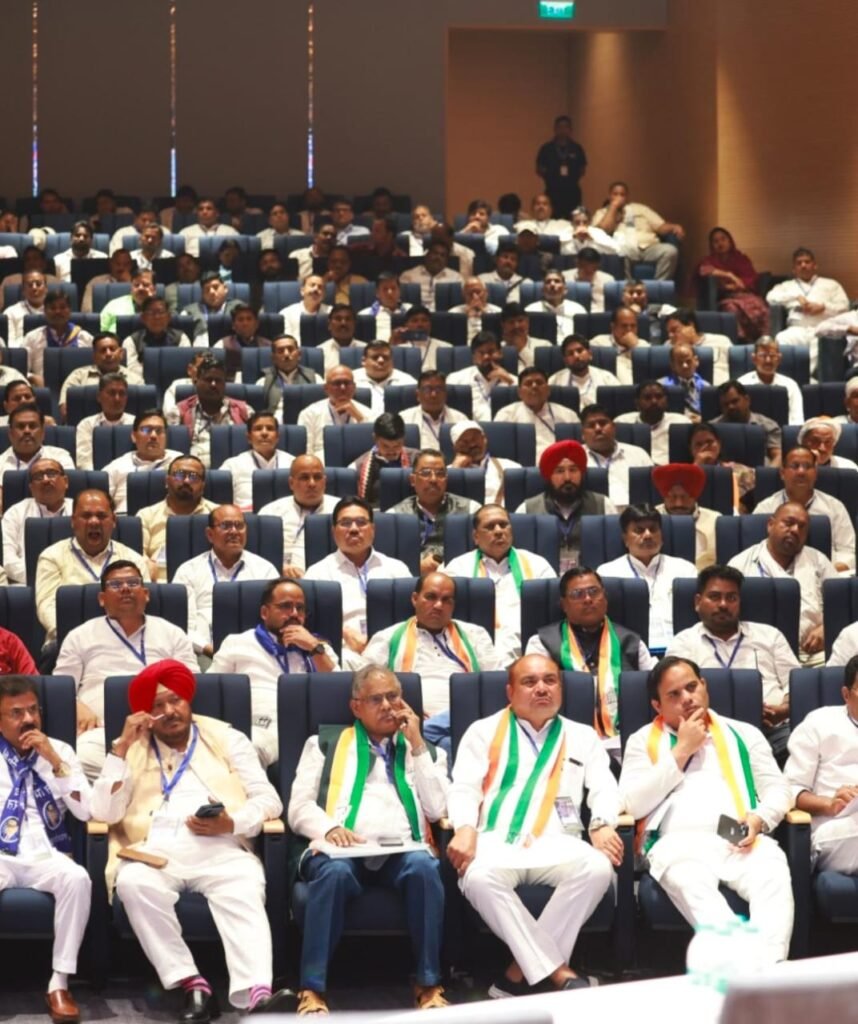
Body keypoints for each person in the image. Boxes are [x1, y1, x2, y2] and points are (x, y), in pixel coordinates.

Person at [91, 660, 292, 1018]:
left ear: (188, 700)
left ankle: (258, 994)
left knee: (244, 885)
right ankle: (192, 983)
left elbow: (269, 800)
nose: (170, 711)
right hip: (153, 851)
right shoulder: (131, 748)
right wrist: (120, 750)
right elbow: (104, 813)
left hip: (221, 847)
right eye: (158, 706)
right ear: (145, 714)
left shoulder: (228, 738)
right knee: (133, 884)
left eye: (175, 700)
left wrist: (231, 823)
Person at [447, 653, 621, 996]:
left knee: (599, 868)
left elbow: (605, 787)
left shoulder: (582, 735)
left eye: (550, 680)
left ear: (561, 688)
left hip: (559, 842)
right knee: (477, 877)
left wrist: (601, 823)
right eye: (530, 682)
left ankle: (517, 973)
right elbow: (464, 787)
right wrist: (465, 827)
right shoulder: (482, 732)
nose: (542, 688)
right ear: (510, 692)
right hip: (496, 841)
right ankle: (558, 973)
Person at [287, 664, 449, 1015]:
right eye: (376, 699)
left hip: (403, 852)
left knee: (424, 869)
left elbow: (438, 809)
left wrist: (418, 745)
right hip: (341, 852)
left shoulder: (427, 752)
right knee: (334, 874)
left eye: (394, 696)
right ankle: (312, 987)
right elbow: (298, 807)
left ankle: (428, 982)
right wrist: (329, 829)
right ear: (356, 707)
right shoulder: (324, 744)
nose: (388, 706)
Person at [619, 656, 794, 965]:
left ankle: (770, 971)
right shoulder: (642, 741)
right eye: (674, 694)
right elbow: (632, 803)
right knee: (693, 884)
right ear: (657, 705)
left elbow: (779, 790)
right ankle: (750, 967)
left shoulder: (744, 733)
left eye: (692, 687)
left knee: (773, 872)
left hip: (739, 836)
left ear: (704, 686)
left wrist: (760, 818)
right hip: (676, 844)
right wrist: (681, 750)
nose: (687, 698)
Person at [0, 675, 92, 1024]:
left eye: (33, 710)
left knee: (78, 879)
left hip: (45, 851)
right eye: (16, 713)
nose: (28, 719)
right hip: (0, 851)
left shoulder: (61, 751)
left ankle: (59, 983)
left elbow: (85, 811)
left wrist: (54, 760)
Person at [55, 559, 197, 778]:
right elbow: (60, 689)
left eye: (132, 583)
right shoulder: (79, 636)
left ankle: (143, 781)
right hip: (100, 731)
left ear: (146, 594)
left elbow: (192, 681)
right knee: (79, 758)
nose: (125, 589)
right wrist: (76, 704)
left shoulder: (172, 633)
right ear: (102, 599)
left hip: (163, 725)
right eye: (115, 585)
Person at [666, 565, 799, 760]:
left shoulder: (770, 635)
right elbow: (675, 694)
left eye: (731, 598)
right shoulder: (683, 643)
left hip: (773, 731)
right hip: (709, 732)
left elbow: (797, 685)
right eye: (714, 597)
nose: (723, 604)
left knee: (800, 748)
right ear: (697, 602)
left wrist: (784, 709)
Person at [362, 572, 501, 751]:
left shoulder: (475, 634)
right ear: (415, 599)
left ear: (453, 605)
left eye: (446, 600)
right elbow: (364, 682)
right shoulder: (388, 637)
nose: (438, 605)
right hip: (410, 716)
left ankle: (425, 732)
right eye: (431, 597)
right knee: (447, 744)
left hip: (467, 717)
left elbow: (495, 684)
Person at [523, 568, 654, 752]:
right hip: (563, 742)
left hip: (626, 741)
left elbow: (657, 688)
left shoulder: (632, 642)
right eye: (577, 594)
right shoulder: (541, 644)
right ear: (564, 604)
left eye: (594, 592)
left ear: (605, 598)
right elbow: (533, 695)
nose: (587, 599)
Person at [209, 578, 338, 765]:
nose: (294, 614)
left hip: (312, 728)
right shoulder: (237, 643)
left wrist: (314, 648)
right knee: (248, 748)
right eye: (285, 606)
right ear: (264, 612)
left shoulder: (319, 648)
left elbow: (338, 693)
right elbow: (213, 692)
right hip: (260, 726)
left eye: (300, 608)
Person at [35, 489, 150, 648]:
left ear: (114, 520)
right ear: (73, 521)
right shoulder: (52, 557)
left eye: (101, 516)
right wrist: (86, 639)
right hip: (68, 642)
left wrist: (115, 637)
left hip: (126, 640)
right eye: (86, 516)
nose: (94, 522)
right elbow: (46, 608)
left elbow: (141, 605)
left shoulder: (133, 559)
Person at [303, 497, 412, 664]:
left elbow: (412, 617)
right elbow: (311, 623)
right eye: (345, 523)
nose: (354, 529)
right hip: (342, 653)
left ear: (373, 529)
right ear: (333, 531)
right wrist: (342, 633)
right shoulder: (317, 573)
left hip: (393, 651)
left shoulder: (397, 569)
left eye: (361, 522)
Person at [441, 504, 556, 662]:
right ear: (476, 537)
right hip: (471, 654)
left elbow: (552, 619)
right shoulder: (458, 568)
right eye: (489, 527)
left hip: (527, 654)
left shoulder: (537, 565)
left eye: (503, 525)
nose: (498, 531)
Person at [728, 502, 838, 665]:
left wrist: (826, 628)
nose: (795, 530)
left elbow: (841, 607)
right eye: (788, 523)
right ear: (770, 525)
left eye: (802, 527)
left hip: (816, 653)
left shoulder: (818, 560)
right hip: (759, 653)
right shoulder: (740, 564)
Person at [172, 505, 281, 664]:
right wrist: (206, 648)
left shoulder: (265, 570)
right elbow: (181, 624)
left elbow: (275, 618)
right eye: (226, 526)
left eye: (239, 526)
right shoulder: (188, 571)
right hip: (201, 653)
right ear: (210, 534)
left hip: (254, 652)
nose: (234, 531)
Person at [785, 653, 858, 874]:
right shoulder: (820, 723)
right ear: (846, 694)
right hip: (837, 829)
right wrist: (829, 803)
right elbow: (791, 790)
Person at [596, 504, 697, 650]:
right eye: (639, 530)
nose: (648, 535)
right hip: (628, 650)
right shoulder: (607, 573)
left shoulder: (685, 569)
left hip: (680, 648)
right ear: (625, 538)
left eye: (653, 529)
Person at [519, 439, 616, 572]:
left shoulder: (604, 504)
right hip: (544, 577)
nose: (567, 477)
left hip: (591, 576)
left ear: (581, 473)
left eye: (573, 470)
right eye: (559, 471)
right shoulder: (526, 509)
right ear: (549, 476)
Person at [753, 445, 854, 573]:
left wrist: (825, 571)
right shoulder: (765, 508)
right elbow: (756, 550)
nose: (801, 472)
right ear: (782, 473)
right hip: (775, 573)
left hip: (828, 573)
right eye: (795, 466)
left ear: (815, 473)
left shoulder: (834, 507)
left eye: (807, 466)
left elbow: (848, 550)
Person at [387, 450, 480, 575]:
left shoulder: (471, 510)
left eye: (440, 473)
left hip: (460, 577)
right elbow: (386, 561)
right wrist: (415, 568)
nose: (433, 479)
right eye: (425, 473)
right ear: (413, 480)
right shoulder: (394, 515)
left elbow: (484, 552)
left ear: (446, 479)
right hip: (412, 580)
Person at [766, 247, 849, 374]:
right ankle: (789, 377)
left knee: (826, 341)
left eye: (807, 262)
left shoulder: (831, 284)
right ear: (794, 269)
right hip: (796, 329)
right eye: (799, 263)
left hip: (822, 329)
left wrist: (824, 307)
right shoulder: (786, 286)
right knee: (781, 338)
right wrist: (795, 296)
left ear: (815, 265)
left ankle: (805, 376)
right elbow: (770, 297)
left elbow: (844, 306)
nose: (803, 265)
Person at [137, 455, 218, 582]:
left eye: (193, 476)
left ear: (203, 486)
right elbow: (136, 555)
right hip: (159, 583)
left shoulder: (217, 514)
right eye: (179, 475)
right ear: (167, 481)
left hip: (207, 582)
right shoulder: (146, 515)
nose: (186, 481)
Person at [257, 456, 339, 576]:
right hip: (277, 576)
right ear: (291, 483)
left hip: (326, 575)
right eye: (304, 478)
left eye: (317, 477)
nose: (312, 483)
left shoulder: (341, 510)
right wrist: (278, 567)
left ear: (325, 481)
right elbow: (258, 554)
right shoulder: (270, 511)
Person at [168, 354, 250, 467]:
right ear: (196, 381)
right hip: (191, 470)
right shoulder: (178, 412)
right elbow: (171, 451)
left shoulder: (244, 411)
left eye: (218, 380)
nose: (213, 385)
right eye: (208, 379)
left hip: (233, 469)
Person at [592, 181, 684, 280]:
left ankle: (659, 286)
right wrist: (613, 207)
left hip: (649, 247)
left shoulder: (640, 209)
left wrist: (675, 226)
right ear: (609, 196)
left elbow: (660, 227)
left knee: (670, 251)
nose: (619, 197)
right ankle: (628, 287)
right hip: (625, 249)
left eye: (622, 195)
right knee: (621, 253)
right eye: (615, 194)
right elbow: (601, 232)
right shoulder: (602, 212)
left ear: (627, 197)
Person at [2, 458, 72, 585]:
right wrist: (43, 578)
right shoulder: (15, 513)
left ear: (65, 481)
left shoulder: (81, 511)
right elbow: (7, 559)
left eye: (51, 473)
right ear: (31, 487)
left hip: (74, 583)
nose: (45, 480)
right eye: (38, 477)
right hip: (27, 584)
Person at [694, 227, 769, 341]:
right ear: (712, 245)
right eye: (716, 241)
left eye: (723, 239)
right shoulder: (709, 260)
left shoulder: (741, 258)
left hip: (745, 295)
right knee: (731, 309)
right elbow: (704, 270)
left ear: (730, 241)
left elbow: (748, 281)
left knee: (760, 306)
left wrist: (732, 285)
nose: (720, 243)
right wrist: (729, 275)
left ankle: (764, 341)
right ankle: (739, 341)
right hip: (725, 298)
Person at [103, 409, 184, 515]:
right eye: (146, 430)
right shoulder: (116, 467)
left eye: (159, 431)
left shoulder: (180, 462)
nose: (153, 436)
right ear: (134, 436)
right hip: (126, 519)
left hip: (169, 519)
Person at [493, 366, 579, 459]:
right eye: (528, 383)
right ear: (519, 392)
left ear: (548, 390)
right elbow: (499, 450)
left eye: (539, 382)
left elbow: (578, 448)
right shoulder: (506, 414)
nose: (534, 386)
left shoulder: (568, 415)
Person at [0, 404, 75, 509]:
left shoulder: (60, 457)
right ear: (10, 433)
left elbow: (66, 493)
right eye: (20, 427)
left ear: (43, 432)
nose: (27, 431)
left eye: (32, 426)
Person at [578, 403, 651, 510]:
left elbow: (652, 491)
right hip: (594, 513)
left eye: (603, 423)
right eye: (591, 425)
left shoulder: (638, 454)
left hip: (636, 513)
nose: (598, 428)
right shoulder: (575, 458)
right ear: (583, 433)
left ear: (614, 427)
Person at [58, 330, 143, 420]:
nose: (108, 354)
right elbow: (65, 411)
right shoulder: (78, 376)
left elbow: (144, 412)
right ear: (94, 356)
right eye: (103, 350)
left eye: (112, 349)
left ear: (121, 353)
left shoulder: (135, 379)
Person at [219, 411, 294, 511]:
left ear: (277, 437)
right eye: (258, 428)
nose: (264, 433)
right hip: (245, 516)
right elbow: (219, 501)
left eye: (270, 428)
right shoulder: (232, 465)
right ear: (249, 437)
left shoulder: (293, 463)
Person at [652, 462, 720, 571]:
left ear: (695, 496)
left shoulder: (716, 520)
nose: (678, 504)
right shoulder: (650, 519)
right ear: (664, 496)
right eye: (672, 497)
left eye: (685, 497)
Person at [297, 365, 372, 461]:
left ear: (354, 387)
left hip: (357, 464)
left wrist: (359, 418)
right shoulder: (309, 414)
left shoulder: (368, 413)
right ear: (326, 388)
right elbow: (306, 452)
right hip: (321, 464)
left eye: (347, 383)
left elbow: (374, 448)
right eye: (337, 383)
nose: (343, 387)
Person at [19, 289, 93, 387]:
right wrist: (33, 377)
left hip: (77, 389)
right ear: (44, 311)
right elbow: (20, 370)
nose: (58, 312)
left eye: (62, 307)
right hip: (43, 389)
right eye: (52, 308)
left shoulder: (85, 337)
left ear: (70, 310)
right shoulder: (32, 338)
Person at [349, 412, 418, 508]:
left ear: (403, 440)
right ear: (375, 439)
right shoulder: (358, 467)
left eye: (397, 445)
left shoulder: (418, 459)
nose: (392, 451)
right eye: (386, 446)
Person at [446, 330, 516, 421]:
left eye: (491, 352)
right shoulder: (456, 379)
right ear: (473, 357)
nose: (486, 357)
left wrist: (509, 381)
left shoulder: (513, 381)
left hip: (504, 428)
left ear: (500, 353)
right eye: (481, 353)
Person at [448, 420, 520, 506]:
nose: (472, 445)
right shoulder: (446, 473)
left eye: (475, 438)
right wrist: (455, 471)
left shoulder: (511, 467)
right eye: (464, 442)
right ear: (455, 447)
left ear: (484, 439)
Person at [615, 380, 687, 466]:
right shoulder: (622, 423)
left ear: (666, 401)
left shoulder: (681, 422)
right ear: (637, 403)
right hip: (635, 470)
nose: (654, 401)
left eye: (659, 397)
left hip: (670, 470)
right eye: (647, 398)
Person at [73, 372, 135, 471]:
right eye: (112, 393)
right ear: (99, 396)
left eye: (122, 393)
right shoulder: (86, 425)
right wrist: (99, 478)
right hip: (96, 477)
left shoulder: (136, 423)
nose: (117, 398)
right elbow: (84, 462)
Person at [713, 379, 782, 466]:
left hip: (759, 471)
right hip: (724, 472)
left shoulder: (768, 426)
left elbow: (778, 456)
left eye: (735, 401)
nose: (730, 407)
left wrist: (766, 473)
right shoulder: (712, 428)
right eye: (725, 404)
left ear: (747, 400)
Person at [121, 295, 192, 380]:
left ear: (169, 317)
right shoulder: (131, 341)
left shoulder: (181, 338)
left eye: (161, 312)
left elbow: (185, 364)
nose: (157, 317)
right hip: (142, 383)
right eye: (151, 313)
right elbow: (131, 369)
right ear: (143, 318)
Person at [736, 337, 805, 424]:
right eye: (763, 356)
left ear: (779, 359)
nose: (768, 360)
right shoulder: (741, 384)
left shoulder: (790, 385)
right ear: (754, 359)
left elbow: (797, 420)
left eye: (772, 356)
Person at [399, 371, 469, 449]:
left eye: (439, 389)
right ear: (418, 395)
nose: (433, 395)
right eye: (427, 390)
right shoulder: (403, 419)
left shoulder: (461, 419)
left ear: (445, 394)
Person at [535, 115, 588, 217]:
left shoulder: (577, 148)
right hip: (552, 191)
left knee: (574, 217)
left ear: (570, 129)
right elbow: (539, 169)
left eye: (565, 127)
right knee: (552, 219)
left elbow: (582, 169)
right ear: (555, 129)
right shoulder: (547, 148)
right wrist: (551, 176)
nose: (562, 130)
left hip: (572, 192)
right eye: (560, 127)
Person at [664, 308, 732, 386]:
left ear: (690, 325)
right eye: (668, 332)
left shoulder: (721, 341)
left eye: (674, 330)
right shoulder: (668, 346)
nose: (670, 335)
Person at [352, 340, 417, 416]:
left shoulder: (408, 382)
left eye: (386, 357)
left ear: (392, 360)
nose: (381, 360)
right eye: (375, 357)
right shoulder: (350, 379)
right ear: (363, 361)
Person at [548, 334, 620, 403]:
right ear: (565, 360)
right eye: (570, 353)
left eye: (580, 351)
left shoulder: (607, 378)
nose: (576, 356)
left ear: (590, 354)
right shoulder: (554, 381)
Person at [589, 307, 651, 385]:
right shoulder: (598, 343)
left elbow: (648, 372)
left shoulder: (644, 346)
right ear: (613, 326)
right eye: (624, 326)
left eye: (633, 326)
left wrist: (635, 348)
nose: (629, 330)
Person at [399, 238, 464, 311]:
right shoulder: (409, 275)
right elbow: (400, 300)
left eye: (442, 255)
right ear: (427, 255)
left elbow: (461, 303)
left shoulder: (456, 277)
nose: (438, 257)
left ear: (446, 261)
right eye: (435, 253)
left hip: (445, 314)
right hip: (415, 314)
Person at [213, 304, 272, 382]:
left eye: (249, 319)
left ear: (257, 324)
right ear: (233, 325)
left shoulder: (269, 346)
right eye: (240, 320)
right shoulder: (222, 344)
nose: (245, 323)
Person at [181, 272, 242, 344]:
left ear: (225, 288)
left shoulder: (239, 308)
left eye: (215, 287)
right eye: (207, 289)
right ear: (202, 294)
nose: (211, 292)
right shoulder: (189, 312)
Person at [388, 304, 452, 373]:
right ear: (406, 325)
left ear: (430, 324)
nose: (420, 324)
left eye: (424, 320)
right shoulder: (400, 349)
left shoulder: (446, 347)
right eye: (414, 321)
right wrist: (392, 342)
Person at [525, 269, 587, 339]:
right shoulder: (530, 310)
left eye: (557, 281)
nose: (552, 284)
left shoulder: (578, 309)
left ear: (565, 289)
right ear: (542, 290)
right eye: (548, 282)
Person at [99, 267, 157, 334]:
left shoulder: (161, 309)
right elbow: (100, 332)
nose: (140, 288)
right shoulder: (114, 305)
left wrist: (149, 303)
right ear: (131, 288)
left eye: (145, 285)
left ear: (154, 289)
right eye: (136, 285)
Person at [499, 303, 552, 371]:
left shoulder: (544, 345)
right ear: (503, 325)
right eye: (511, 322)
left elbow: (543, 371)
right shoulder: (498, 349)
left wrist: (521, 348)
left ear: (527, 322)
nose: (516, 326)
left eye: (520, 321)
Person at [448, 276, 502, 341]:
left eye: (478, 292)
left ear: (486, 293)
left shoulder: (498, 312)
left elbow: (500, 334)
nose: (475, 296)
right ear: (464, 295)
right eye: (470, 293)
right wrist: (465, 315)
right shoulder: (453, 313)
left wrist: (484, 313)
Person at [660, 344, 706, 419]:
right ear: (672, 365)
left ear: (696, 361)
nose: (685, 366)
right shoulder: (661, 387)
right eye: (680, 362)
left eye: (688, 361)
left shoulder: (706, 387)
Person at [279, 274, 331, 340]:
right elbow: (284, 340)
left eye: (320, 287)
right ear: (302, 291)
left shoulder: (331, 313)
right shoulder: (287, 313)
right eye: (312, 285)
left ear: (324, 295)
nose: (316, 289)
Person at [316, 304, 366, 372]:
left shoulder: (366, 350)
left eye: (348, 319)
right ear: (329, 325)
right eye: (338, 319)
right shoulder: (319, 352)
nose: (343, 323)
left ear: (354, 324)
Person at [5, 269, 48, 345]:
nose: (34, 288)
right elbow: (9, 344)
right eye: (30, 285)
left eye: (38, 284)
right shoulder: (11, 312)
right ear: (23, 290)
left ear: (46, 288)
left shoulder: (55, 312)